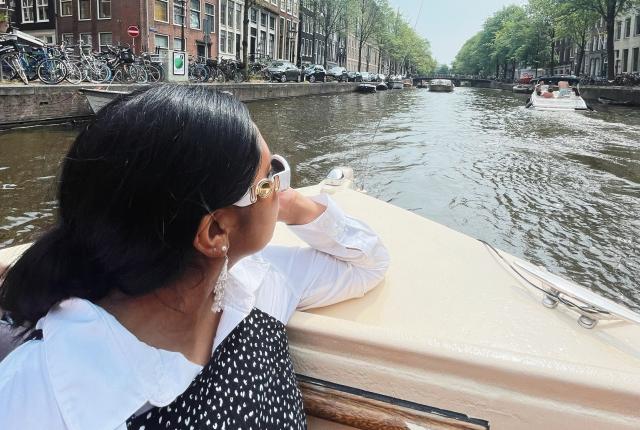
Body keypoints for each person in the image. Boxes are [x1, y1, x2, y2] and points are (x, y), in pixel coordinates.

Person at [0, 85, 389, 429]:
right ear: (216, 232)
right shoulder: (38, 399)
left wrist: (293, 205)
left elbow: (368, 263)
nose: (279, 186)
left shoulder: (260, 279)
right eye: (268, 180)